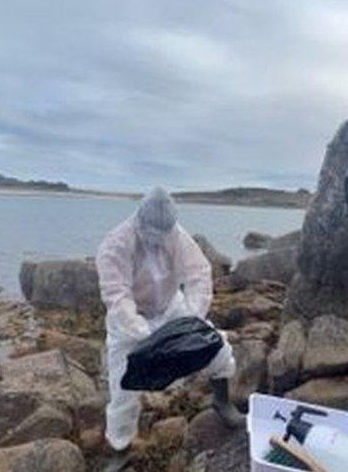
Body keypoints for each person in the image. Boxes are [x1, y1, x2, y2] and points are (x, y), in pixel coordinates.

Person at [96, 187, 244, 470]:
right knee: (122, 382)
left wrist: (190, 320)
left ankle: (222, 402)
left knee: (217, 346)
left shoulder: (177, 235)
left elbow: (199, 275)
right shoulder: (115, 244)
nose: (159, 239)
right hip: (129, 320)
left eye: (165, 233)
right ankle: (120, 446)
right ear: (139, 221)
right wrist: (146, 335)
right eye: (153, 233)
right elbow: (117, 296)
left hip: (171, 308)